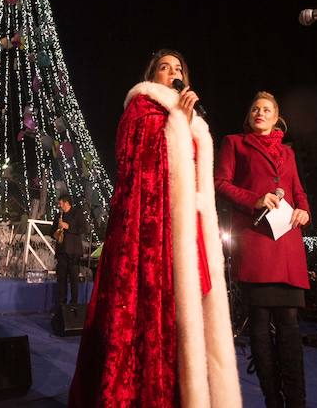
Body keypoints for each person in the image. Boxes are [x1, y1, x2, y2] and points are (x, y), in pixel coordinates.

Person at [69, 50, 240, 408]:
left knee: (190, 317)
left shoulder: (193, 122)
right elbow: (137, 165)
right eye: (165, 68)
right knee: (155, 316)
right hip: (152, 233)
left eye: (179, 68)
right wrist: (177, 120)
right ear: (153, 75)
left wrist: (184, 120)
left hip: (189, 232)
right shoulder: (141, 108)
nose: (173, 73)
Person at [214, 92, 311, 408]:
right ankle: (273, 400)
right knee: (259, 323)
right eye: (255, 107)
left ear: (276, 116)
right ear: (249, 115)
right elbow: (221, 183)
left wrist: (305, 211)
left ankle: (296, 401)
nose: (260, 112)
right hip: (255, 239)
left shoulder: (288, 152)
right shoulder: (234, 143)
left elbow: (298, 192)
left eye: (266, 109)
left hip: (288, 244)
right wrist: (254, 198)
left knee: (290, 325)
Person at [52, 194, 84, 305]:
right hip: (61, 252)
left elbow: (83, 228)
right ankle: (62, 305)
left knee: (74, 280)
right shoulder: (58, 216)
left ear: (67, 203)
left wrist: (68, 227)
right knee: (62, 281)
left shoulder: (77, 213)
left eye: (61, 203)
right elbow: (52, 231)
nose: (60, 206)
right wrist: (56, 233)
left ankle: (73, 305)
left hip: (73, 252)